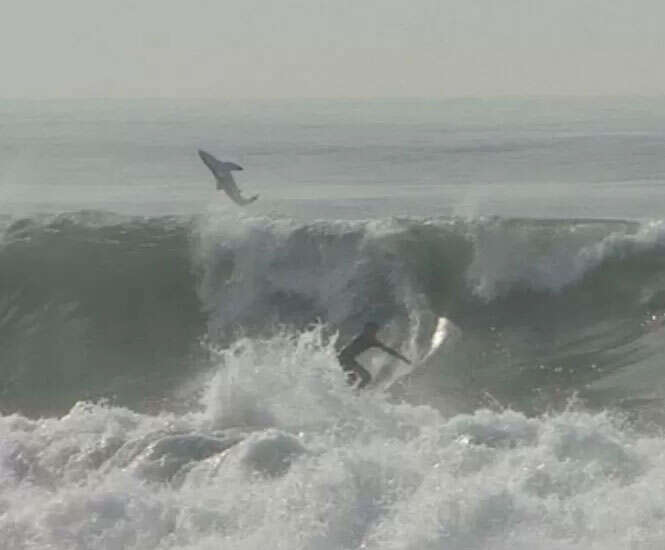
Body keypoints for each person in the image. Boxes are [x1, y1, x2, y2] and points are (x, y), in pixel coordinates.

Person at [337, 322, 411, 389]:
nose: (372, 333)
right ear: (365, 330)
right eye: (370, 331)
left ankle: (346, 391)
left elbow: (389, 351)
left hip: (346, 359)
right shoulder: (362, 337)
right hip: (346, 359)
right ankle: (356, 393)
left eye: (373, 332)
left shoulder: (372, 341)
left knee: (354, 378)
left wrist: (403, 359)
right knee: (366, 377)